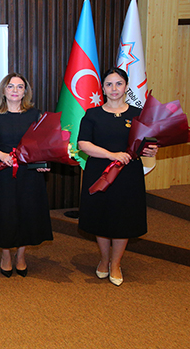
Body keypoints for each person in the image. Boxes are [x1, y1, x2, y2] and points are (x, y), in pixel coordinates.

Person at [77, 67, 157, 286]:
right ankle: (104, 260)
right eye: (109, 84)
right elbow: (83, 144)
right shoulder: (92, 114)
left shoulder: (138, 114)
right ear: (103, 88)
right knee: (101, 217)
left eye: (119, 83)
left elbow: (146, 143)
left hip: (128, 174)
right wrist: (111, 155)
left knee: (123, 218)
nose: (114, 88)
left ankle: (116, 264)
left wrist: (150, 150)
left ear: (126, 87)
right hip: (100, 173)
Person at [0, 72, 52, 278]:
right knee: (6, 213)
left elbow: (43, 144)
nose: (15, 90)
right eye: (10, 86)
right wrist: (2, 155)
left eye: (20, 87)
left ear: (25, 92)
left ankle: (21, 255)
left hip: (29, 173)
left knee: (27, 212)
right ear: (4, 90)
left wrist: (42, 162)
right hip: (4, 172)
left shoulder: (36, 115)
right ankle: (5, 255)